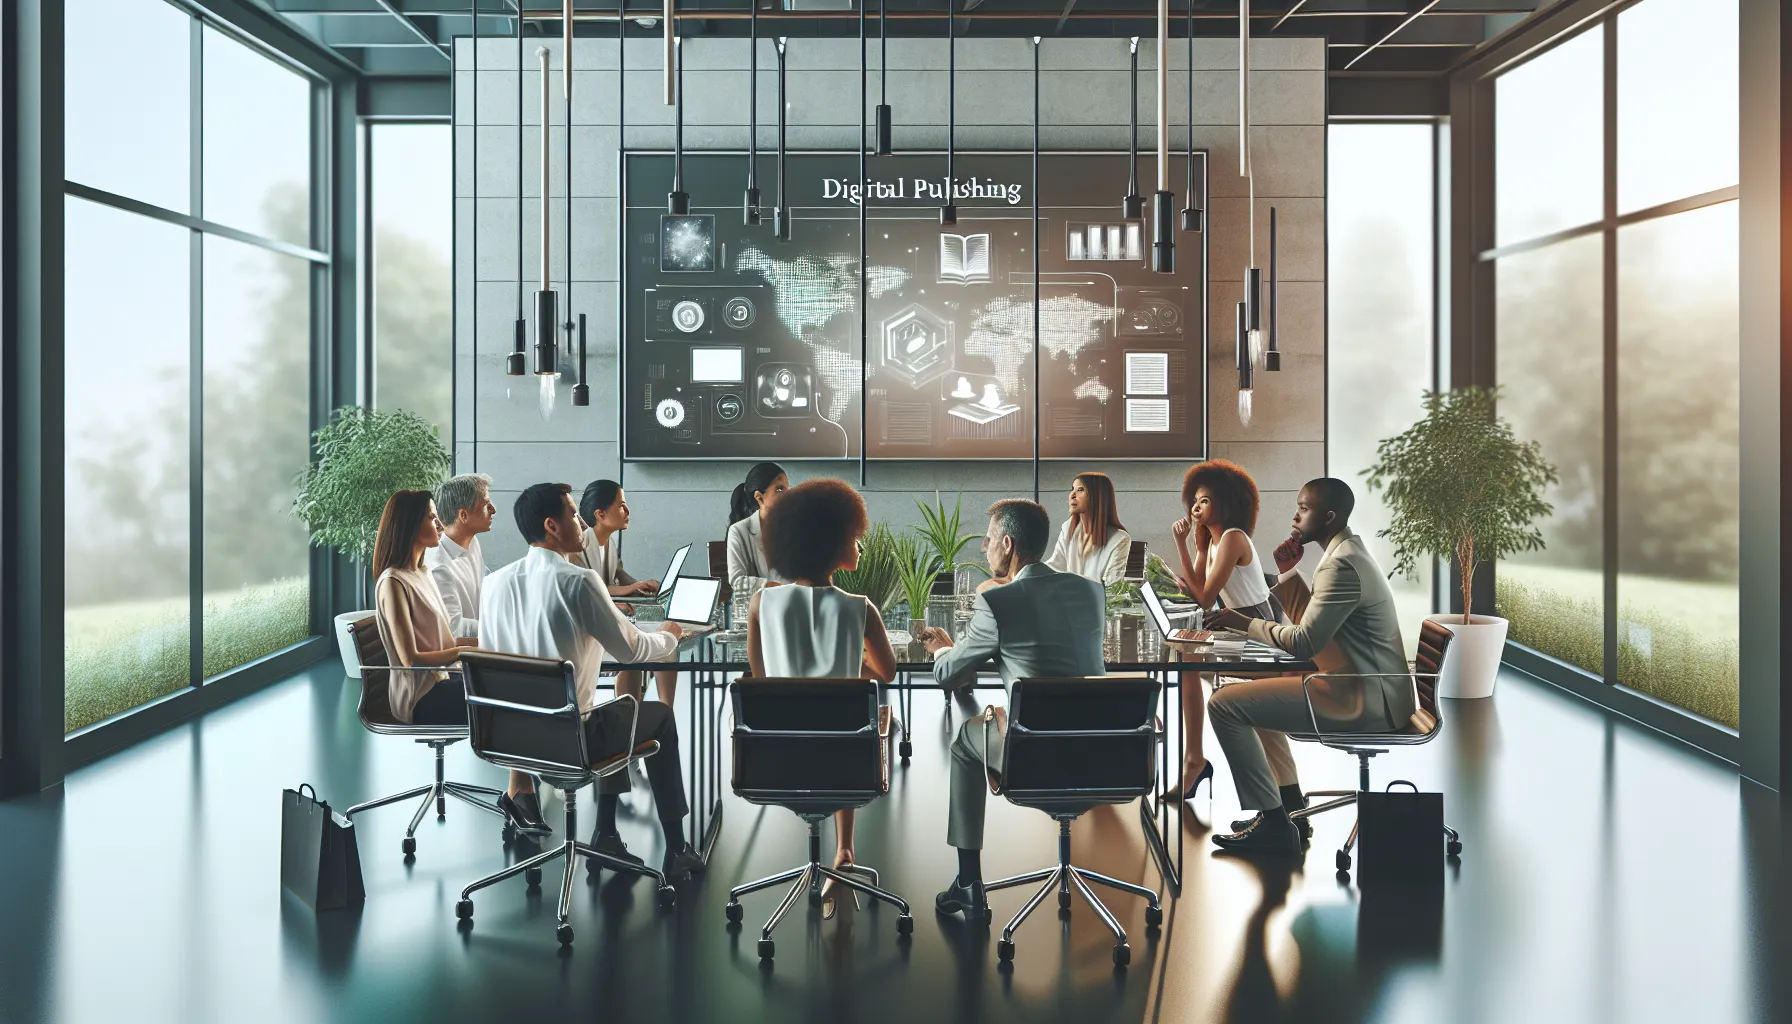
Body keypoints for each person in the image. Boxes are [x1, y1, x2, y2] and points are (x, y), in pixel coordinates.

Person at [479, 483, 706, 881]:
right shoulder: (580, 581)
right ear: (552, 526)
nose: (580, 522)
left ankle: (607, 834)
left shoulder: (495, 583)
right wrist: (671, 634)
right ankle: (676, 847)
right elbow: (632, 651)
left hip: (506, 737)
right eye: (573, 514)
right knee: (657, 719)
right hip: (571, 740)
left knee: (616, 711)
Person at [916, 499, 1105, 921]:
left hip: (1038, 757)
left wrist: (944, 648)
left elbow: (949, 675)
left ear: (1007, 542)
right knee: (999, 717)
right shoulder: (1091, 592)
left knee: (965, 742)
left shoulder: (999, 602)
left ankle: (968, 883)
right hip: (1104, 756)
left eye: (988, 542)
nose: (984, 550)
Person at [1203, 478, 1410, 856]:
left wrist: (1241, 622)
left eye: (1304, 508)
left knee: (1223, 703)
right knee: (1249, 699)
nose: (1295, 516)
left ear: (1328, 516)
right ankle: (1288, 812)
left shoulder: (1342, 565)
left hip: (1362, 697)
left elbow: (1303, 643)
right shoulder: (1346, 553)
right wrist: (1286, 573)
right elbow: (1316, 630)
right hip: (1362, 683)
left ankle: (1274, 824)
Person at [746, 478, 898, 920]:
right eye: (854, 538)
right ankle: (845, 848)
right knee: (851, 719)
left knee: (826, 717)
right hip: (848, 763)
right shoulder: (860, 608)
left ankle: (844, 850)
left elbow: (762, 679)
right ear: (831, 544)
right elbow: (886, 672)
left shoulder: (761, 605)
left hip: (776, 758)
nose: (860, 546)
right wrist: (853, 665)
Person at [371, 490, 539, 834]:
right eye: (431, 518)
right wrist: (465, 652)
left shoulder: (422, 573)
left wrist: (491, 643)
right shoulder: (393, 582)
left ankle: (520, 794)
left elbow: (447, 641)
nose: (438, 523)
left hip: (444, 680)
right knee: (515, 703)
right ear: (409, 526)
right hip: (419, 696)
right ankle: (520, 795)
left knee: (523, 687)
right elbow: (410, 658)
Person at [1162, 459, 1278, 802]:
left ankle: (1194, 760)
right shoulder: (1211, 543)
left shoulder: (1232, 538)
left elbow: (1205, 596)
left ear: (1225, 503)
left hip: (1256, 627)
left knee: (1186, 661)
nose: (1196, 507)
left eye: (1205, 501)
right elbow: (1198, 592)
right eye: (1195, 501)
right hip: (1233, 621)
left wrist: (1182, 546)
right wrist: (1185, 559)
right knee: (1183, 655)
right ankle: (1193, 759)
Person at [574, 479, 679, 709]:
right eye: (621, 505)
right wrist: (630, 589)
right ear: (600, 514)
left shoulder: (609, 544)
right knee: (658, 638)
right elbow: (593, 587)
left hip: (613, 623)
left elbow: (621, 576)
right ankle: (645, 710)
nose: (628, 511)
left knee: (658, 635)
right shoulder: (579, 548)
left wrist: (641, 586)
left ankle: (661, 709)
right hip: (594, 634)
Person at [424, 473, 495, 639]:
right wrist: (503, 628)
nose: (493, 510)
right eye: (486, 504)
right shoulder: (437, 565)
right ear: (463, 515)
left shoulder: (472, 543)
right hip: (463, 660)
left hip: (482, 647)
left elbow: (488, 584)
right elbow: (454, 628)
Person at [1044, 472, 1133, 584]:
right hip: (1067, 598)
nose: (1072, 495)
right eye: (1072, 489)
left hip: (1097, 601)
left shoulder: (1119, 539)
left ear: (1096, 496)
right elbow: (1054, 566)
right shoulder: (1068, 529)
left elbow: (1112, 586)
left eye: (1080, 490)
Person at [725, 461, 790, 593]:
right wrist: (773, 587)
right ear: (759, 498)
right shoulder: (738, 531)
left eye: (787, 489)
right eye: (779, 489)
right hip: (757, 608)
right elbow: (737, 580)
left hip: (792, 607)